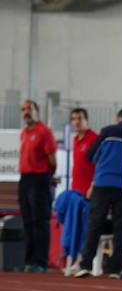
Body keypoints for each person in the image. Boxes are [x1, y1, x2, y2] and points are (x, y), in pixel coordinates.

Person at [75, 108, 122, 278]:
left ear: (119, 118)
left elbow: (91, 155)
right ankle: (115, 268)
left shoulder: (108, 131)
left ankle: (85, 264)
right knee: (121, 227)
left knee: (95, 223)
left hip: (103, 182)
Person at [17, 99, 58, 272]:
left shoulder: (44, 131)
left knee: (40, 221)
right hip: (25, 178)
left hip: (39, 178)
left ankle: (41, 262)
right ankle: (29, 261)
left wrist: (48, 176)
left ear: (37, 112)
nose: (26, 112)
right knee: (27, 221)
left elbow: (52, 159)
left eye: (29, 108)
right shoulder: (24, 133)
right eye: (23, 109)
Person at [58, 107, 98, 275]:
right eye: (74, 119)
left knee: (83, 223)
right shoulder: (75, 140)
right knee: (65, 211)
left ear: (86, 120)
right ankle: (74, 255)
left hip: (89, 193)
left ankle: (82, 259)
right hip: (76, 191)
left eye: (79, 118)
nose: (76, 122)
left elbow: (98, 166)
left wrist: (93, 186)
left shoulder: (94, 139)